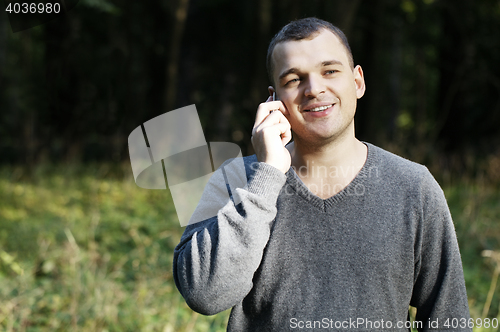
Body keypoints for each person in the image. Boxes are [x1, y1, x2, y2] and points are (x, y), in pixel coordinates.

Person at [173, 17, 471, 331]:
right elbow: (204, 295)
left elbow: (447, 318)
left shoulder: (414, 187)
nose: (314, 89)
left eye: (329, 71)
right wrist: (267, 175)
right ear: (274, 100)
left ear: (357, 82)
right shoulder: (235, 178)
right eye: (293, 79)